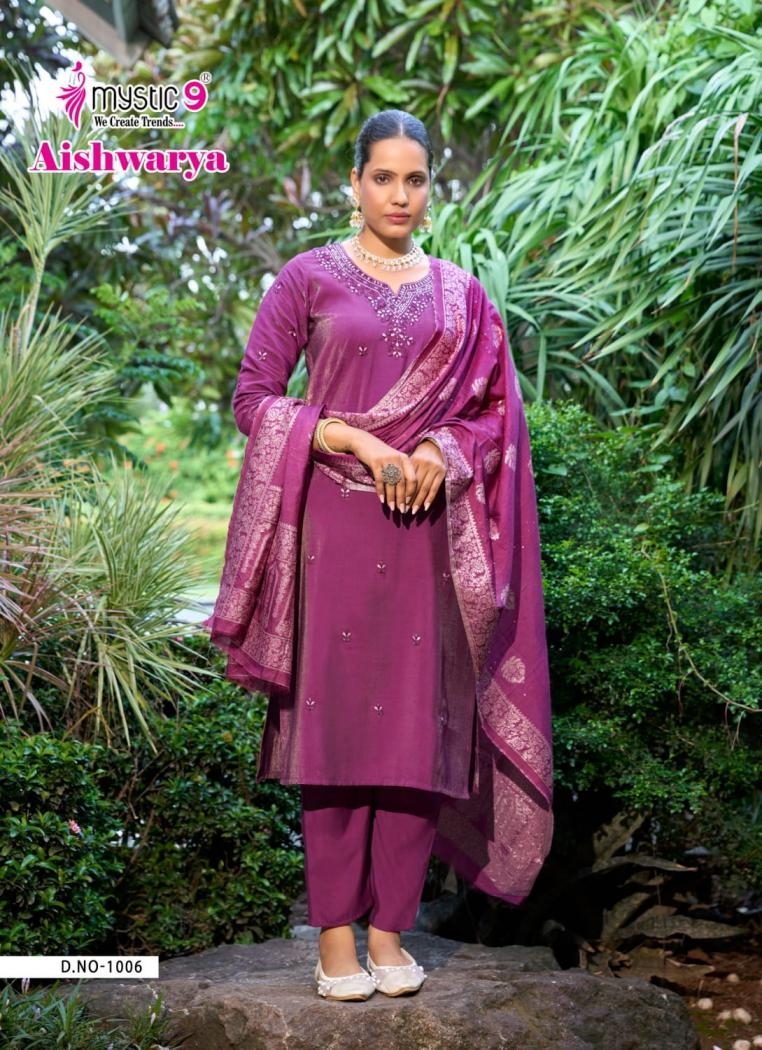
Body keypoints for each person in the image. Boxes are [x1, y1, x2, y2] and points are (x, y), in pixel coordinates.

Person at [206, 109, 553, 1002]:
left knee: (415, 740)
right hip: (331, 536)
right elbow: (253, 399)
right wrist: (357, 442)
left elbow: (494, 420)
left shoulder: (463, 297)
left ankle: (392, 933)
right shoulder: (308, 277)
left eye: (416, 179)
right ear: (355, 183)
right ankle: (334, 942)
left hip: (428, 537)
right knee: (330, 739)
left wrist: (441, 449)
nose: (401, 195)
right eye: (384, 177)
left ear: (431, 187)